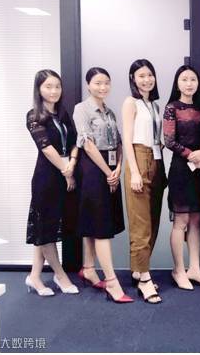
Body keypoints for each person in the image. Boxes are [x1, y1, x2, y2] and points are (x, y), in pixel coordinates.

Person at [73, 67, 133, 303]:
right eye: (97, 83)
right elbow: (87, 144)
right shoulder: (82, 109)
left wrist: (118, 167)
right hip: (92, 168)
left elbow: (118, 142)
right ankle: (111, 282)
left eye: (106, 82)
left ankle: (88, 268)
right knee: (100, 225)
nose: (103, 87)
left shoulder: (110, 112)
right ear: (88, 85)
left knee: (96, 221)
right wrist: (109, 172)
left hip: (110, 167)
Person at [25, 69, 80, 296]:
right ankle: (60, 275)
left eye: (57, 86)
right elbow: (46, 148)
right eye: (48, 86)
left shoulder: (63, 114)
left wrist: (72, 163)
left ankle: (34, 277)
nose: (54, 91)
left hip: (66, 173)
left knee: (45, 229)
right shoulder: (34, 116)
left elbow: (75, 141)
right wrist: (66, 171)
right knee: (45, 229)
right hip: (46, 178)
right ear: (39, 89)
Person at [164, 64, 200, 290]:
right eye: (184, 79)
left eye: (193, 79)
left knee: (197, 219)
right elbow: (168, 141)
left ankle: (194, 269)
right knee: (181, 221)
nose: (189, 83)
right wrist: (190, 155)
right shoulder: (172, 107)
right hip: (180, 169)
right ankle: (178, 270)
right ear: (177, 83)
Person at [122, 59, 167, 304]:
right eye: (141, 75)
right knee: (141, 224)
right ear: (133, 78)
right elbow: (127, 140)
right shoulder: (131, 102)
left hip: (156, 160)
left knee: (153, 220)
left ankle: (139, 270)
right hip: (138, 158)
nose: (147, 79)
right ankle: (144, 280)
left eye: (150, 75)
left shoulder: (154, 105)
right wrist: (135, 172)